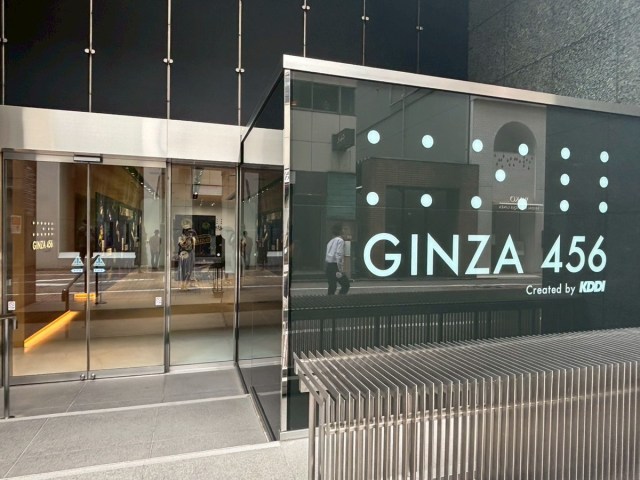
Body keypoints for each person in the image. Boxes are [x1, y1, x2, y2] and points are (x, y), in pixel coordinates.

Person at [325, 224, 349, 295]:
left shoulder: (330, 241)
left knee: (332, 287)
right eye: (343, 229)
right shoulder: (340, 240)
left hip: (329, 267)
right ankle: (340, 299)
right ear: (340, 231)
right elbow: (339, 255)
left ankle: (329, 301)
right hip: (336, 267)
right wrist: (340, 269)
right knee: (346, 284)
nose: (344, 230)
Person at [177, 220, 196, 290]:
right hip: (184, 254)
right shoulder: (181, 237)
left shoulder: (192, 238)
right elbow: (181, 245)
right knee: (184, 269)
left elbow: (193, 247)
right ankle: (183, 285)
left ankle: (185, 284)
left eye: (189, 230)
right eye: (187, 230)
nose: (189, 232)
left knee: (189, 269)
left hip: (190, 254)